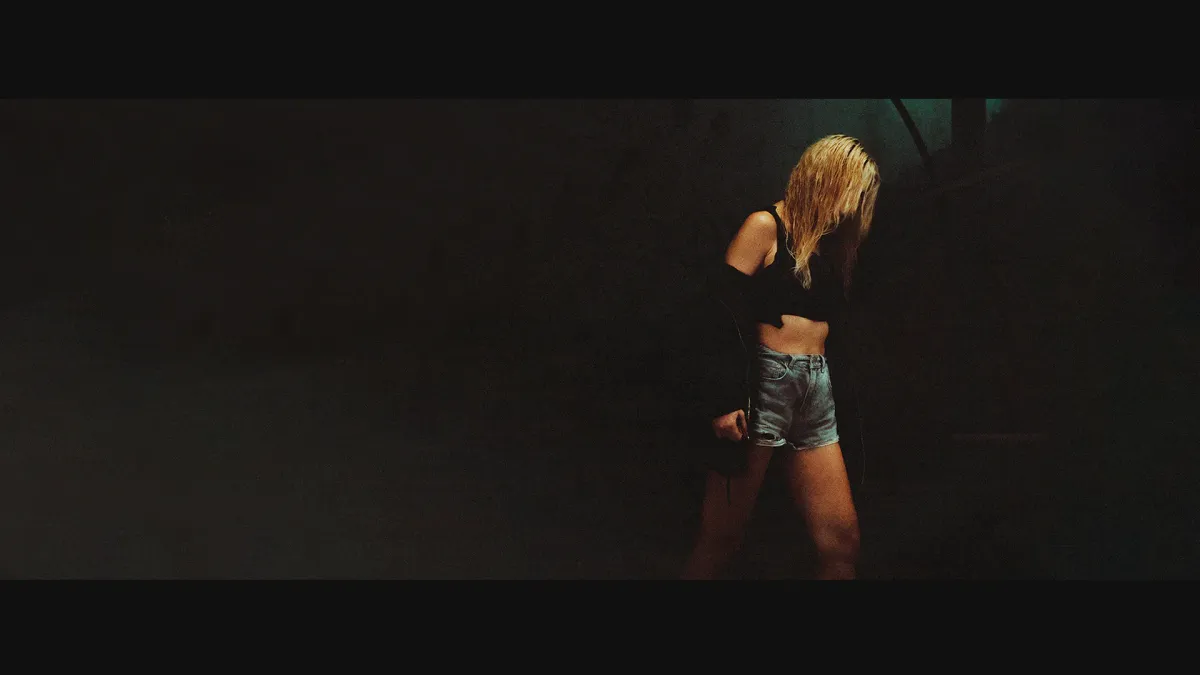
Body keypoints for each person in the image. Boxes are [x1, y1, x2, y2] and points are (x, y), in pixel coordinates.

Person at [681, 135, 880, 580]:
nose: (852, 205)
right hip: (766, 385)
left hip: (816, 390)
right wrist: (724, 398)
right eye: (849, 190)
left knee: (842, 544)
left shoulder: (831, 247)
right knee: (721, 539)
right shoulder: (765, 225)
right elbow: (718, 313)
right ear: (823, 179)